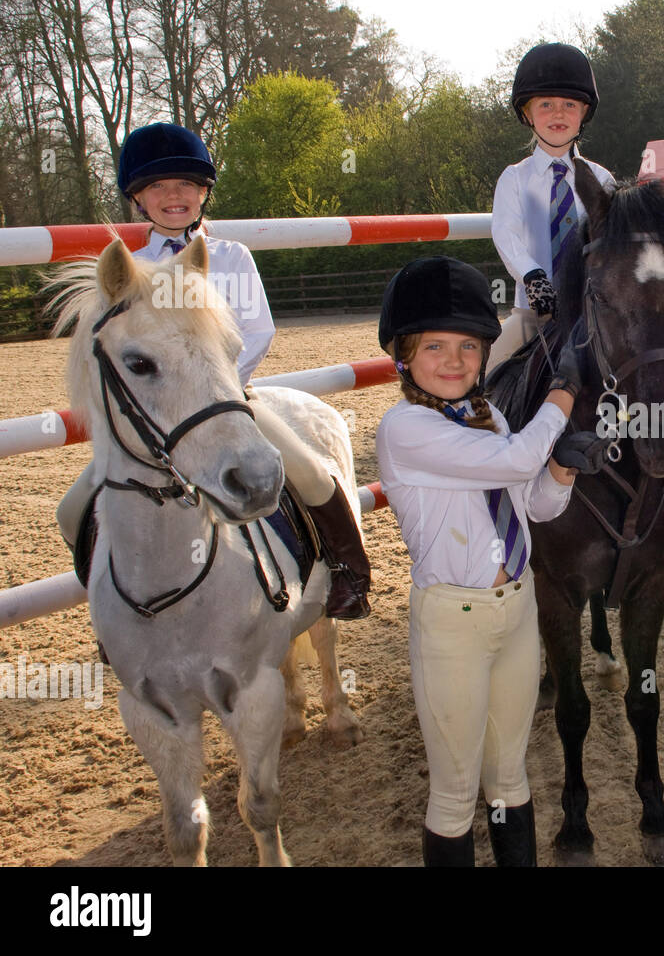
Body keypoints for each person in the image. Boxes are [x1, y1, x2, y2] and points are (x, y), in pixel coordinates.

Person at [57, 122, 370, 619]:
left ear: (204, 191)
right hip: (157, 416)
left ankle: (349, 572)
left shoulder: (230, 257)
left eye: (185, 184)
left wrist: (215, 388)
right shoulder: (126, 268)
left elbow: (257, 330)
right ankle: (114, 611)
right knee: (71, 510)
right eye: (157, 186)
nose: (173, 196)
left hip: (229, 399)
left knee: (310, 474)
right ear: (138, 198)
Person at [375, 256, 606, 867]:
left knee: (511, 778)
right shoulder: (404, 428)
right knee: (454, 795)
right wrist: (562, 395)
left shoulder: (490, 415)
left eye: (469, 347)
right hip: (453, 621)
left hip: (517, 608)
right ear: (404, 356)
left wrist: (561, 469)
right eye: (434, 347)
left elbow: (532, 503)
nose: (454, 361)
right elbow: (509, 464)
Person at [489, 41, 664, 502]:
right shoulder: (514, 179)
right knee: (491, 376)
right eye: (546, 105)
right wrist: (533, 276)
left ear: (583, 113)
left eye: (569, 106)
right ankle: (489, 466)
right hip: (535, 315)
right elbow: (506, 234)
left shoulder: (603, 177)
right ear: (527, 114)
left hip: (599, 312)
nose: (558, 114)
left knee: (657, 361)